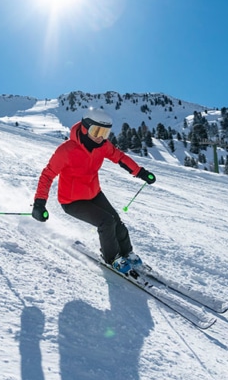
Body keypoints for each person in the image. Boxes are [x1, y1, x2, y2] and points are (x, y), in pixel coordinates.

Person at [32, 108, 156, 274]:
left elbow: (120, 157)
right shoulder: (67, 150)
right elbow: (47, 175)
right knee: (106, 221)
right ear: (85, 128)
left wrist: (140, 172)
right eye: (96, 131)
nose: (100, 137)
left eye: (104, 133)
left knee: (116, 221)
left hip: (94, 193)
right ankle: (112, 258)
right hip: (72, 201)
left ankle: (127, 254)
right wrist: (39, 203)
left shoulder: (102, 146)